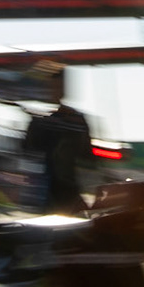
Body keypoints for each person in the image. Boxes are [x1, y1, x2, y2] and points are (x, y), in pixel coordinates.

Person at [22, 75, 94, 215]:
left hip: (67, 189)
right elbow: (28, 149)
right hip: (48, 189)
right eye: (53, 87)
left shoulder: (75, 120)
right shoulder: (43, 122)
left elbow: (87, 155)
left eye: (58, 87)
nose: (55, 91)